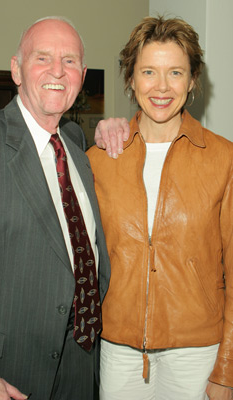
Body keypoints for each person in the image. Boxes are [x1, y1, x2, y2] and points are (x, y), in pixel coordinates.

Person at [0, 17, 111, 400]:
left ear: (83, 74)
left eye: (70, 61)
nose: (58, 71)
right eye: (43, 58)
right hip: (3, 375)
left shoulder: (76, 146)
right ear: (16, 69)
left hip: (80, 368)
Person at [88, 16, 233, 400]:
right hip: (118, 350)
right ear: (131, 79)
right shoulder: (99, 161)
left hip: (197, 353)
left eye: (176, 73)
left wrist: (228, 369)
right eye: (148, 71)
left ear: (192, 80)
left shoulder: (224, 159)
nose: (162, 87)